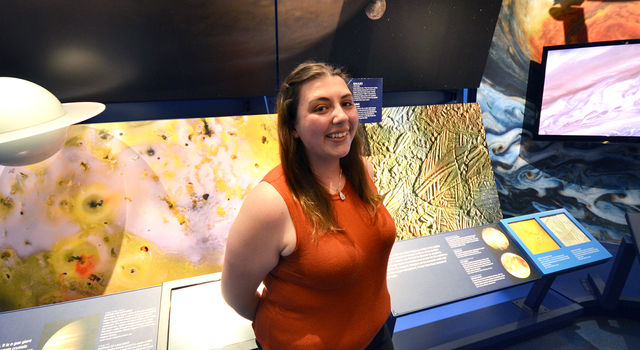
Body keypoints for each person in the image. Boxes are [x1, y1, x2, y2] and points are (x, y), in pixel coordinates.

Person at [221, 62, 397, 350]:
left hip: (377, 333)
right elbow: (236, 295)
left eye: (346, 103)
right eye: (321, 108)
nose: (340, 116)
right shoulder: (272, 204)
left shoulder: (364, 173)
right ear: (293, 128)